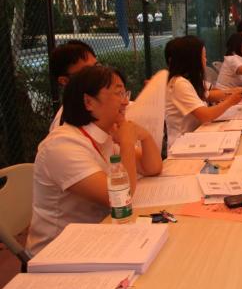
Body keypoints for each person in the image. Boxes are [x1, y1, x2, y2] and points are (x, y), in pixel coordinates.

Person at [26, 65, 162, 255]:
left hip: (100, 235)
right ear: (89, 102)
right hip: (60, 252)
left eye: (125, 93)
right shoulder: (62, 145)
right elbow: (120, 198)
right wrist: (127, 143)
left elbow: (153, 168)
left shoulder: (105, 133)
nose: (126, 102)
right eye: (118, 93)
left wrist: (144, 135)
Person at [165, 36, 242, 147]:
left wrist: (232, 92)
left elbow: (209, 95)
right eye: (203, 56)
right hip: (182, 144)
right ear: (192, 59)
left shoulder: (189, 80)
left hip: (196, 136)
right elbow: (206, 115)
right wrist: (230, 101)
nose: (206, 60)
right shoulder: (178, 83)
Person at [49, 40, 99, 131]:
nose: (98, 74)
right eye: (87, 71)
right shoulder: (64, 128)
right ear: (64, 81)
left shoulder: (99, 102)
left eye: (97, 66)